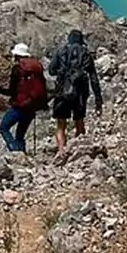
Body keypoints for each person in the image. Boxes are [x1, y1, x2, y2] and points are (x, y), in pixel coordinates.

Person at [48, 28, 103, 159]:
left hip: (62, 91)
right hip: (80, 93)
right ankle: (78, 150)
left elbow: (51, 70)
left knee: (61, 124)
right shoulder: (86, 53)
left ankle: (62, 150)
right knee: (79, 121)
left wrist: (62, 72)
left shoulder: (60, 51)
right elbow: (94, 78)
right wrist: (98, 100)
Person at [0, 41, 47, 153]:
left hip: (20, 106)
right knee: (20, 134)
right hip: (32, 106)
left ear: (17, 55)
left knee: (4, 128)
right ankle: (21, 155)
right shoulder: (37, 68)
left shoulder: (17, 69)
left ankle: (15, 151)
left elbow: (12, 91)